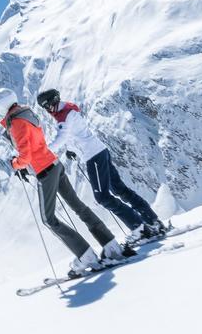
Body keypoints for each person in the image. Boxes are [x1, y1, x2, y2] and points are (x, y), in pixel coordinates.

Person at [0, 89, 131, 276]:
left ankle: (86, 255)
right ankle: (110, 245)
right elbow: (34, 146)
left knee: (48, 219)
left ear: (1, 106)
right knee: (79, 207)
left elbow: (25, 156)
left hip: (44, 171)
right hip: (54, 164)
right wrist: (24, 163)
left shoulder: (16, 122)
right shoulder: (26, 114)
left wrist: (15, 164)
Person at [36, 89, 168, 245]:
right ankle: (152, 221)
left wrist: (41, 152)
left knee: (103, 197)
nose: (46, 111)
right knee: (120, 190)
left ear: (51, 102)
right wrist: (72, 150)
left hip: (94, 157)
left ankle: (140, 228)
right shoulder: (67, 111)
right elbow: (76, 134)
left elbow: (62, 137)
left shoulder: (64, 116)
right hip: (99, 151)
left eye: (45, 107)